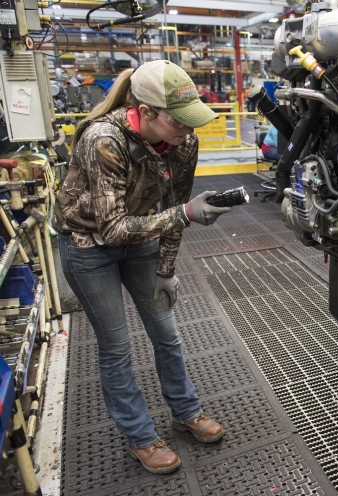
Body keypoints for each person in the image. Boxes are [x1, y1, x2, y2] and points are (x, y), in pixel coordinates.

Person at [54, 60, 233, 474]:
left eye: (192, 120)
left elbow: (174, 206)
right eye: (179, 121)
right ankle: (140, 437)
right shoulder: (104, 140)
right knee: (116, 347)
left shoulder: (183, 143)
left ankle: (186, 412)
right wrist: (185, 215)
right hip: (88, 246)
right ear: (146, 112)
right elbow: (115, 227)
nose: (188, 130)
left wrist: (167, 268)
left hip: (140, 240)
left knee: (166, 333)